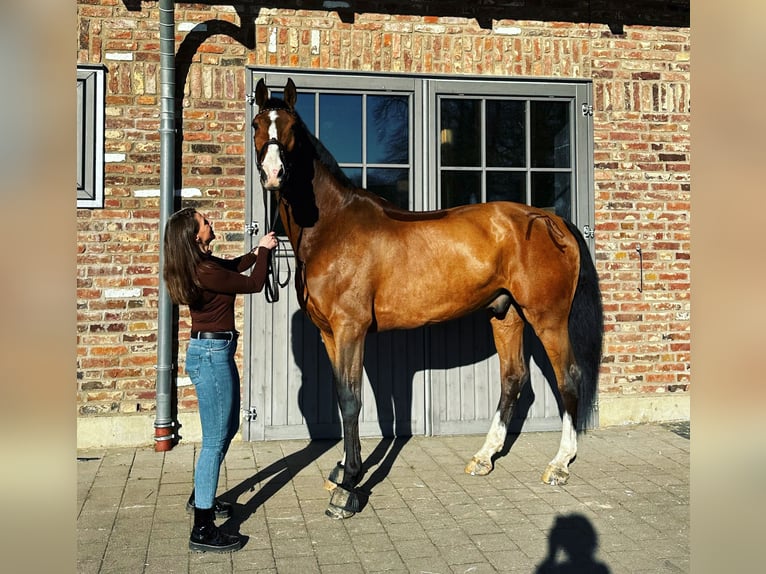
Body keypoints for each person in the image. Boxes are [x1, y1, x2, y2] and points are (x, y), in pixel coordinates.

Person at [162, 207, 278, 552]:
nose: (210, 224)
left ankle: (202, 496)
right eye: (205, 222)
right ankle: (202, 529)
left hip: (214, 353)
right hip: (212, 357)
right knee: (214, 441)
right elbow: (254, 283)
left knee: (225, 430)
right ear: (195, 236)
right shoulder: (205, 271)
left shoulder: (203, 265)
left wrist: (258, 249)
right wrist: (267, 254)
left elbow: (236, 266)